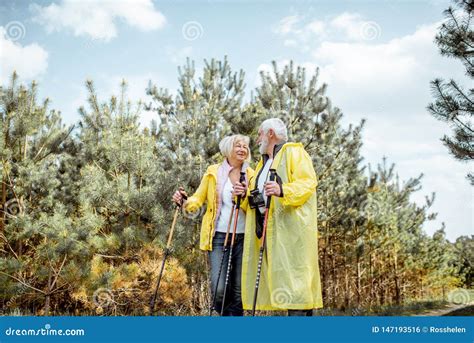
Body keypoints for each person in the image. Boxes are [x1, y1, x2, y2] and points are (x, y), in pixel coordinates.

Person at [233, 118, 323, 316]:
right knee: (284, 287)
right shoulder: (262, 165)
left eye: (260, 134)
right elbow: (259, 200)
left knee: (296, 286)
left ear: (270, 133)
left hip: (292, 233)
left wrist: (283, 189)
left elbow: (308, 183)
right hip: (270, 234)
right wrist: (244, 195)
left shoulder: (293, 152)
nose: (257, 140)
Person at [172, 134, 254, 316]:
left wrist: (244, 196)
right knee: (219, 289)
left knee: (239, 291)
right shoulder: (213, 172)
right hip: (218, 237)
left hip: (244, 238)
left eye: (245, 147)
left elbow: (254, 208)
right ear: (228, 149)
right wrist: (184, 201)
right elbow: (198, 198)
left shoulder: (251, 175)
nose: (242, 149)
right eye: (238, 146)